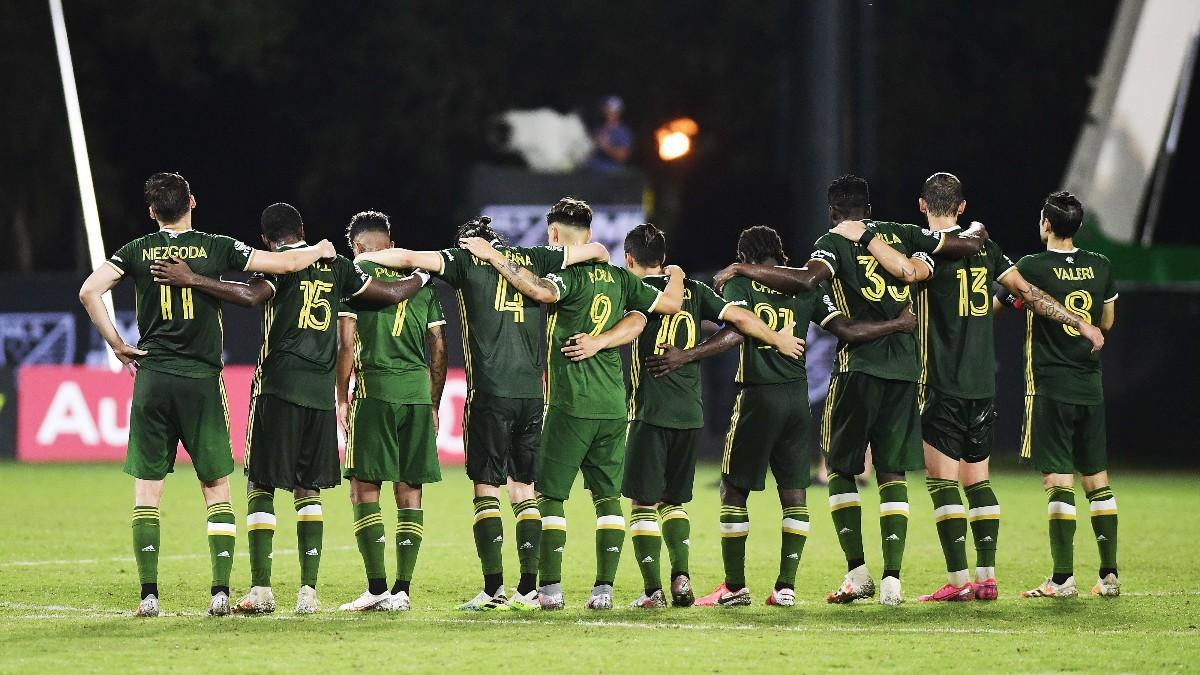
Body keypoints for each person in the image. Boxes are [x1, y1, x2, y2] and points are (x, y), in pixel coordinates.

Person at [712, 174, 992, 605]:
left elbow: (808, 282)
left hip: (858, 369)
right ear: (869, 208)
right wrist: (975, 230)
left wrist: (743, 268)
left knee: (842, 470)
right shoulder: (896, 233)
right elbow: (964, 243)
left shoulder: (831, 242)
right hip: (903, 371)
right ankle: (893, 580)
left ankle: (858, 573)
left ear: (832, 211)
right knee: (892, 473)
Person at [78, 172, 338, 617]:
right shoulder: (217, 246)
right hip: (201, 378)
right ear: (192, 202)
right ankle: (219, 592)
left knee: (148, 492)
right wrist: (319, 249)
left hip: (153, 376)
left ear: (152, 212)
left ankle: (149, 597)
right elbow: (285, 265)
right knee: (216, 487)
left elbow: (89, 291)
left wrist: (117, 343)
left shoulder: (136, 250)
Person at [151, 202, 428, 614]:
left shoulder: (280, 265)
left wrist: (193, 279)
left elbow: (247, 296)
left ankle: (262, 589)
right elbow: (389, 294)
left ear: (265, 240)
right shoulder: (337, 268)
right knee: (308, 488)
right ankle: (307, 593)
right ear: (302, 228)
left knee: (261, 485)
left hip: (278, 388)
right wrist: (423, 273)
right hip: (318, 394)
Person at [353, 215, 610, 611]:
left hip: (490, 393)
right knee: (524, 490)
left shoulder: (464, 259)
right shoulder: (533, 257)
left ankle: (494, 590)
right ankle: (529, 590)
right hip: (531, 393)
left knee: (486, 489)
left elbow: (408, 258)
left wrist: (369, 257)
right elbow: (597, 250)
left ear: (469, 242)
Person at [656, 225, 916, 607]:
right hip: (797, 401)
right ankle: (786, 587)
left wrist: (687, 354)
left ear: (745, 259)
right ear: (780, 255)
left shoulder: (740, 283)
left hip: (758, 398)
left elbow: (736, 332)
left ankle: (734, 586)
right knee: (794, 494)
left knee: (733, 491)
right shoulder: (806, 289)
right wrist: (896, 324)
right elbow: (847, 330)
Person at [459, 197, 684, 610]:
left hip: (571, 403)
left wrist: (492, 255)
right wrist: (675, 275)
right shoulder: (620, 277)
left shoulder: (571, 279)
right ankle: (604, 590)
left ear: (557, 237)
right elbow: (660, 308)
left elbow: (538, 290)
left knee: (551, 497)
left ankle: (550, 590)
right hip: (614, 404)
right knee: (608, 499)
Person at [564, 223, 804, 608]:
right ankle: (681, 579)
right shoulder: (692, 289)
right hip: (690, 414)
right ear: (663, 257)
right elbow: (740, 320)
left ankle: (652, 591)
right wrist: (778, 339)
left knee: (643, 504)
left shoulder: (631, 290)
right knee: (674, 503)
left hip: (649, 411)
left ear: (629, 259)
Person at [901, 174, 1105, 603]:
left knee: (942, 483)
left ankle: (959, 583)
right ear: (961, 207)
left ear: (922, 206)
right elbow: (1030, 295)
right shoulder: (988, 250)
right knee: (978, 480)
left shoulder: (923, 251)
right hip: (982, 384)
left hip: (940, 381)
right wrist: (1079, 321)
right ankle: (987, 578)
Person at [1005, 192, 1119, 599]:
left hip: (1050, 386)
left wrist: (1019, 300)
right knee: (1097, 479)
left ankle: (1061, 578)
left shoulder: (1031, 267)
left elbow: (999, 305)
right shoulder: (1100, 265)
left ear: (1046, 224)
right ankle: (1109, 576)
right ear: (1080, 226)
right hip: (1090, 383)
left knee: (1058, 480)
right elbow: (1106, 321)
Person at [331, 211, 447, 612]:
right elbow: (439, 349)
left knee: (364, 487)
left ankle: (377, 588)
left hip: (374, 390)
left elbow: (346, 346)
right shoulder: (422, 284)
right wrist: (432, 402)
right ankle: (403, 591)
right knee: (409, 490)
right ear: (390, 242)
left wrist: (342, 398)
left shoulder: (352, 277)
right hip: (416, 393)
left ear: (358, 247)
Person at [588, 96, 633, 172]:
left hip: (611, 175)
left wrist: (606, 147)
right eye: (607, 109)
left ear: (618, 112)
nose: (609, 112)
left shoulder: (623, 132)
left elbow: (623, 156)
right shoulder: (597, 129)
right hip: (591, 172)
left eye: (612, 110)